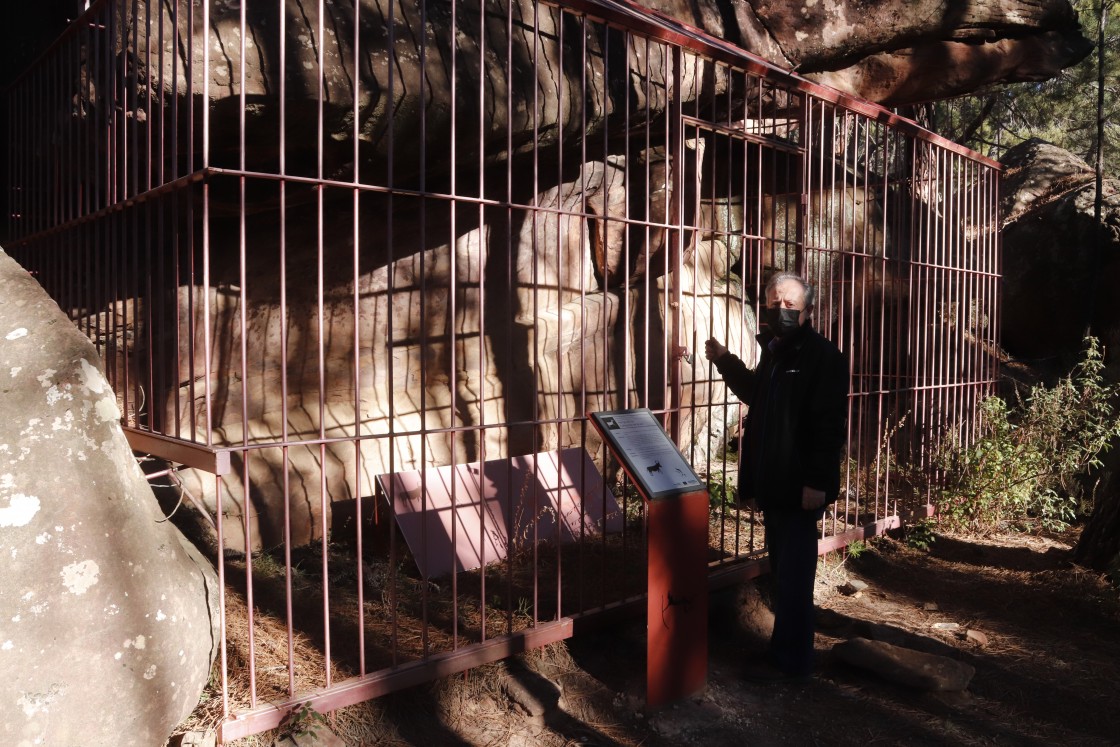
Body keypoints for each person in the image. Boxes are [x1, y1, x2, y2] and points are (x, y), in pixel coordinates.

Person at [705, 272, 848, 682]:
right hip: (775, 484)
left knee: (795, 579)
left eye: (788, 304)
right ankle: (785, 654)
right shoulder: (776, 353)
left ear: (807, 310)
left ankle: (793, 662)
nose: (779, 310)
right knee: (783, 573)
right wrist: (724, 360)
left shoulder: (823, 357)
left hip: (800, 486)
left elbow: (828, 426)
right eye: (773, 303)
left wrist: (817, 483)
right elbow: (757, 394)